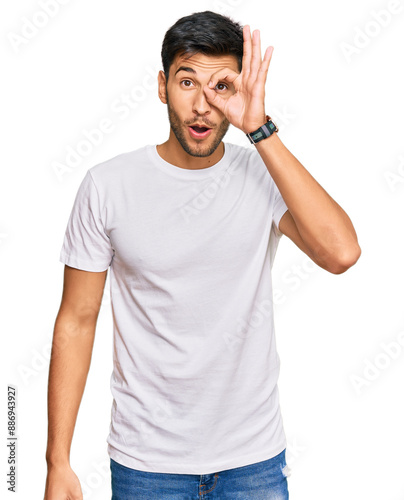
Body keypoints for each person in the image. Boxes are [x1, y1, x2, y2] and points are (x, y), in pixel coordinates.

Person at [43, 10, 361, 500]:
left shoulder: (262, 172)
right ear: (161, 85)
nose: (202, 106)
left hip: (252, 462)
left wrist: (259, 128)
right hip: (146, 465)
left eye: (222, 86)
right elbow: (77, 321)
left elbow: (341, 253)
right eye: (187, 81)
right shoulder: (107, 186)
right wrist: (57, 460)